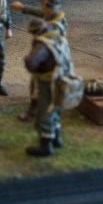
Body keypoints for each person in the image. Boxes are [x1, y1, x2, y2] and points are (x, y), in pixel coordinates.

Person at [10, 0, 67, 121]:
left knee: (44, 88)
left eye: (43, 5)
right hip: (49, 60)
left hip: (51, 63)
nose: (41, 7)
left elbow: (44, 46)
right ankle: (36, 109)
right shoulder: (54, 15)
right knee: (37, 85)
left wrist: (32, 59)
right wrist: (23, 7)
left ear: (50, 7)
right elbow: (41, 12)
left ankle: (43, 115)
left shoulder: (54, 27)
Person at [23, 18, 72, 157]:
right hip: (61, 79)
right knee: (56, 108)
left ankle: (45, 146)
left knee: (45, 111)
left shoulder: (42, 44)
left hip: (47, 82)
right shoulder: (58, 36)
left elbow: (32, 63)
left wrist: (27, 60)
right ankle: (57, 138)